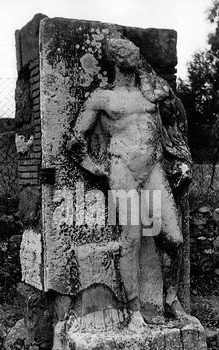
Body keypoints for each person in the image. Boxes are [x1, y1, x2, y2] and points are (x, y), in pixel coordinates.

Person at [68, 37, 192, 322]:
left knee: (173, 238)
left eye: (135, 50)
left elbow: (175, 120)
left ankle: (172, 300)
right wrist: (93, 167)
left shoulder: (151, 90)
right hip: (122, 169)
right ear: (114, 58)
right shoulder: (103, 97)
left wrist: (181, 159)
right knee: (131, 238)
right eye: (125, 51)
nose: (133, 55)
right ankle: (135, 312)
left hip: (152, 169)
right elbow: (75, 142)